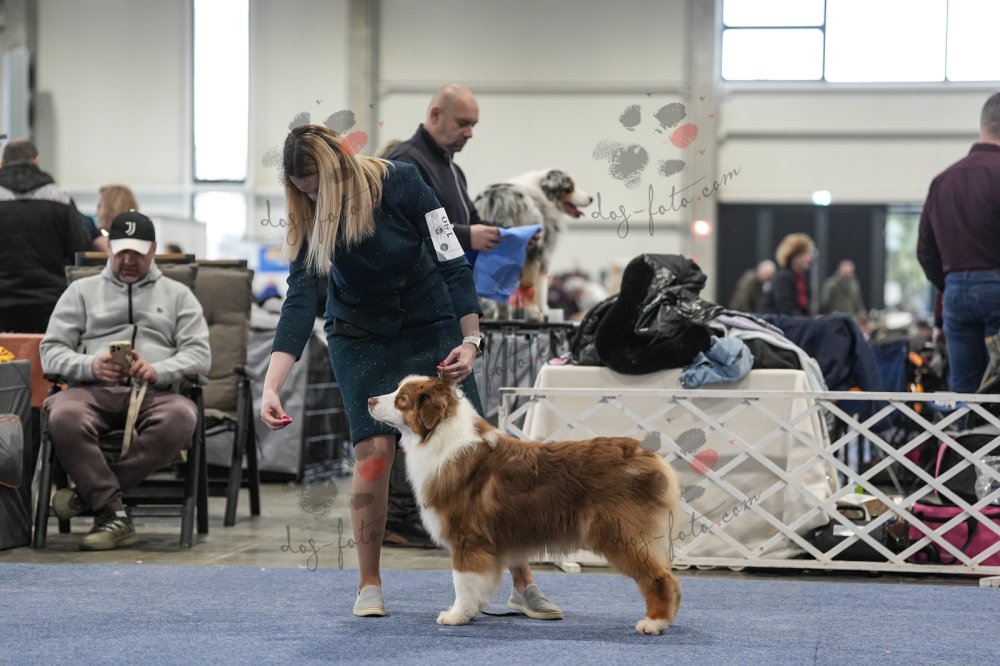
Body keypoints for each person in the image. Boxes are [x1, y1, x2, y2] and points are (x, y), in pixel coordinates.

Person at [260, 125, 562, 620]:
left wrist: (470, 339)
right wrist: (273, 385)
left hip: (430, 323)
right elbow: (299, 299)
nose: (314, 200)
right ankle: (369, 583)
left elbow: (452, 260)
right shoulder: (308, 214)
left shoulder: (403, 182)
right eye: (304, 192)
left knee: (478, 453)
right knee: (374, 454)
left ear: (343, 171)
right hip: (360, 335)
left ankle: (521, 581)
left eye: (319, 189)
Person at [40, 211, 211, 550]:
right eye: (122, 252)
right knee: (63, 415)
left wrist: (160, 370)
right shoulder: (80, 291)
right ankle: (113, 512)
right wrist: (90, 366)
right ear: (109, 249)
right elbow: (51, 351)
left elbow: (200, 355)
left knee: (181, 416)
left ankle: (93, 499)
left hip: (155, 393)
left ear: (153, 250)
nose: (129, 260)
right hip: (90, 392)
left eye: (138, 252)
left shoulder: (178, 295)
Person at [918, 91, 1000, 394]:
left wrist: (952, 284)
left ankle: (965, 428)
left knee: (965, 394)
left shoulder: (943, 180)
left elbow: (926, 251)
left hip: (955, 294)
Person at [385, 84, 503, 257]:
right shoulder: (405, 163)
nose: (469, 133)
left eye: (473, 125)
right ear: (435, 115)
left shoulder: (454, 171)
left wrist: (510, 235)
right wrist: (467, 237)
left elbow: (472, 222)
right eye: (463, 123)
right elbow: (403, 233)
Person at [0, 140, 92, 332]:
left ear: (2, 163)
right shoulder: (60, 197)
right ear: (36, 160)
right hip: (49, 302)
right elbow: (80, 248)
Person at [757, 233, 816, 317]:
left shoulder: (801, 278)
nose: (810, 257)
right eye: (807, 253)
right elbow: (787, 311)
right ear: (795, 256)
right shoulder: (783, 278)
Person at [94, 184, 140, 253]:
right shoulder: (139, 238)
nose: (97, 212)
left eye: (100, 206)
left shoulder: (102, 241)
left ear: (110, 210)